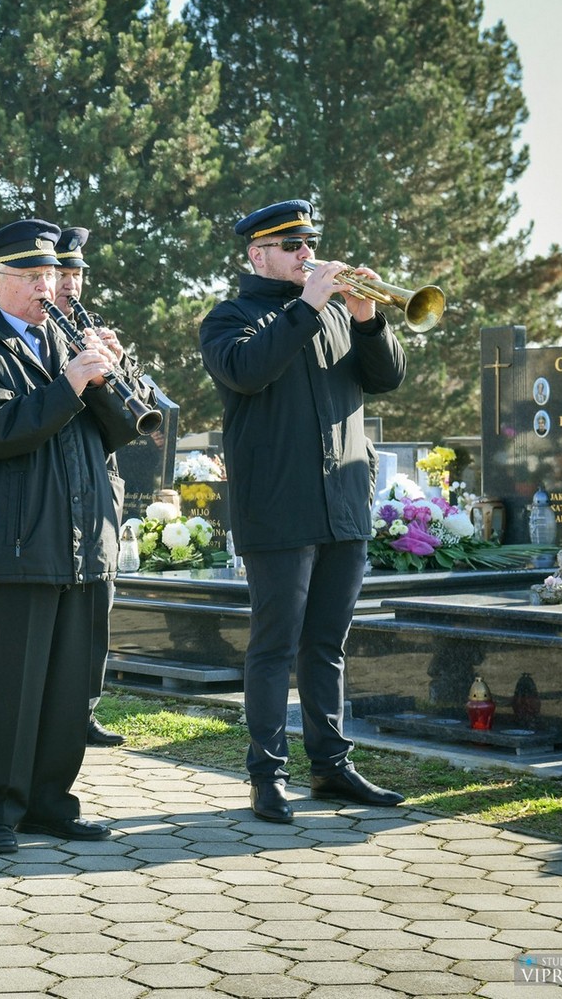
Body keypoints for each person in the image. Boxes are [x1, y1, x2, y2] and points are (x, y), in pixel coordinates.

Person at [199, 199, 407, 823]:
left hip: (342, 501)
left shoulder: (341, 313)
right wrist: (309, 305)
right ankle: (267, 774)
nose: (306, 255)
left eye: (309, 244)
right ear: (256, 255)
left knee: (326, 644)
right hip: (277, 506)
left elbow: (387, 380)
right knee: (274, 644)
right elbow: (245, 372)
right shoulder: (229, 318)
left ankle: (332, 767)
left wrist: (368, 321)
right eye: (292, 247)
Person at [0, 218, 143, 856]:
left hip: (83, 542)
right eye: (32, 277)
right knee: (12, 686)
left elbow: (112, 435)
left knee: (69, 686)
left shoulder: (68, 338)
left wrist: (114, 375)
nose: (46, 286)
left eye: (52, 275)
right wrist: (71, 385)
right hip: (17, 546)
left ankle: (53, 802)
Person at [51, 225, 125, 748]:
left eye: (78, 274)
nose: (71, 284)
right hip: (53, 490)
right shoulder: (34, 334)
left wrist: (120, 371)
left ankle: (84, 708)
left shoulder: (91, 327)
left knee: (98, 606)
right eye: (62, 273)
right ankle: (52, 710)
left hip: (100, 480)